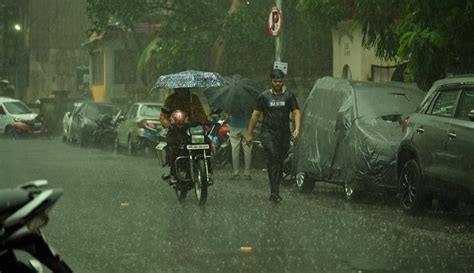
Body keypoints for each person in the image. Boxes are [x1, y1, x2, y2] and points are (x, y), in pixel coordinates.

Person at [246, 69, 301, 202]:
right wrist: (249, 133)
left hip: (283, 133)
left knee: (280, 161)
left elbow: (296, 112)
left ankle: (275, 189)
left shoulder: (289, 96)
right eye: (275, 81)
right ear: (271, 81)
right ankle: (274, 191)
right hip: (268, 133)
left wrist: (297, 128)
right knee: (272, 157)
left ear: (283, 82)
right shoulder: (264, 97)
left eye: (280, 81)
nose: (277, 84)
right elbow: (255, 115)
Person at [160, 88, 207, 184]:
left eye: (183, 88)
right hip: (175, 129)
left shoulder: (194, 98)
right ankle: (173, 172)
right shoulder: (171, 99)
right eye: (179, 88)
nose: (181, 90)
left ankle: (208, 170)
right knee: (172, 147)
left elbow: (201, 113)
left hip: (192, 128)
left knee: (207, 142)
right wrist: (167, 123)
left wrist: (202, 121)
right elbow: (163, 116)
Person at [229, 113, 253, 180]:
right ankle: (247, 173)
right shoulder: (247, 102)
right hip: (246, 125)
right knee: (247, 150)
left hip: (234, 125)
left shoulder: (231, 103)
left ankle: (236, 173)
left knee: (235, 150)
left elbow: (229, 114)